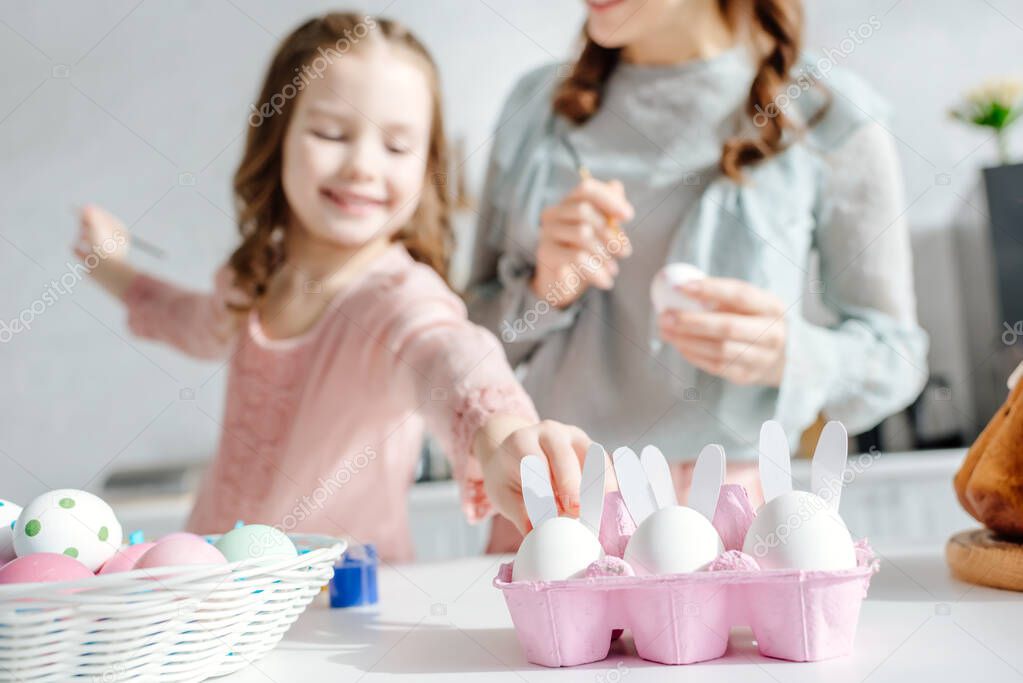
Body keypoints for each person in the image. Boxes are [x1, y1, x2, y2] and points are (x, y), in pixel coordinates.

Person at [73, 13, 591, 562]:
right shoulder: (256, 278)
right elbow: (191, 323)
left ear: (426, 165)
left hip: (340, 613)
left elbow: (452, 357)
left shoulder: (400, 298)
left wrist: (501, 435)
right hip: (212, 594)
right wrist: (108, 265)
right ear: (278, 137)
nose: (363, 165)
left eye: (396, 147)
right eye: (331, 133)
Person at [469, 0, 929, 551]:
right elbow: (465, 348)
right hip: (555, 506)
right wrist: (544, 292)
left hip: (734, 519)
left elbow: (898, 357)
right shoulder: (534, 110)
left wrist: (791, 353)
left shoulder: (831, 113)